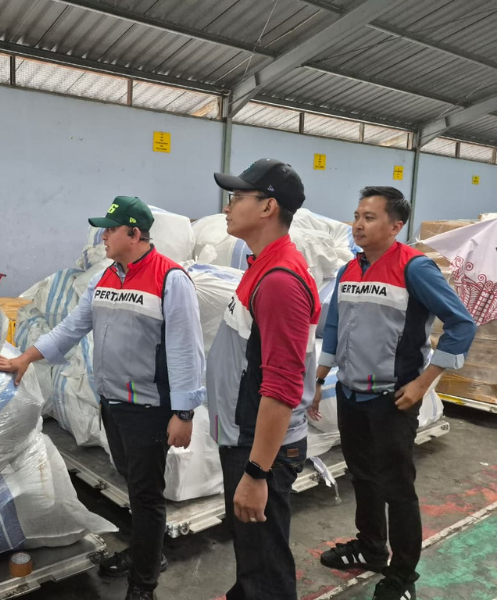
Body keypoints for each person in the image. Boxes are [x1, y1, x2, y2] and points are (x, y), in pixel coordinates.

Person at [0, 196, 205, 600]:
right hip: (111, 404)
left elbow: (185, 350)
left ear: (134, 234)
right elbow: (72, 326)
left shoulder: (170, 279)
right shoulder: (107, 277)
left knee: (146, 494)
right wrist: (26, 358)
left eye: (110, 230)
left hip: (147, 409)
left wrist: (184, 412)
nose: (103, 236)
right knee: (133, 484)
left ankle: (143, 585)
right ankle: (147, 551)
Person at [310, 186, 476, 600]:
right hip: (351, 394)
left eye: (369, 217)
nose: (358, 224)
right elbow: (335, 327)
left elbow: (461, 324)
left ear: (395, 226)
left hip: (392, 399)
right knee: (363, 477)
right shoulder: (349, 270)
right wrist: (320, 377)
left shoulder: (414, 269)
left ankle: (402, 576)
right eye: (356, 216)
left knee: (397, 488)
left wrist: (423, 382)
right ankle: (371, 549)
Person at [207, 159, 320, 600]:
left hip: (259, 446)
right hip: (246, 434)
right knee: (253, 556)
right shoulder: (262, 266)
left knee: (266, 567)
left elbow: (281, 387)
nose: (227, 206)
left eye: (237, 197)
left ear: (268, 207)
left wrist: (256, 472)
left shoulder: (279, 281)